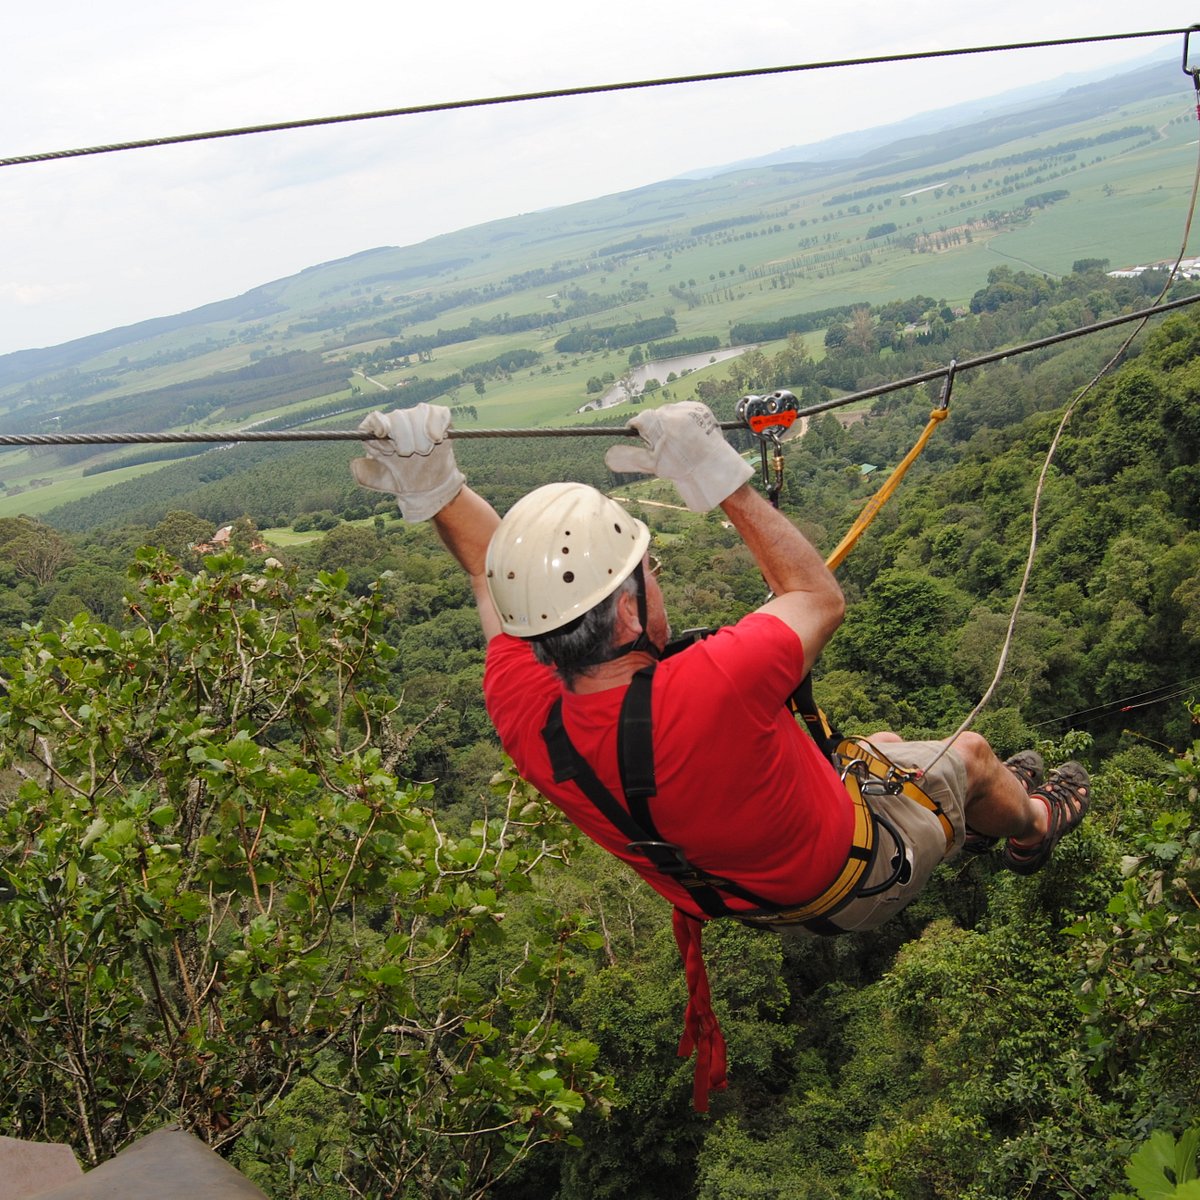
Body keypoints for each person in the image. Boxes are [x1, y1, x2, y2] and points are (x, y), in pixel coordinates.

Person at [350, 399, 1092, 1109]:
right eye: (652, 571)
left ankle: (971, 810)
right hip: (857, 878)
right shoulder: (713, 686)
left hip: (747, 894)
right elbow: (817, 595)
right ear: (632, 609)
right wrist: (718, 474)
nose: (659, 579)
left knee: (885, 749)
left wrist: (437, 483)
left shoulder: (525, 713)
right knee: (971, 754)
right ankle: (1031, 828)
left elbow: (489, 574)